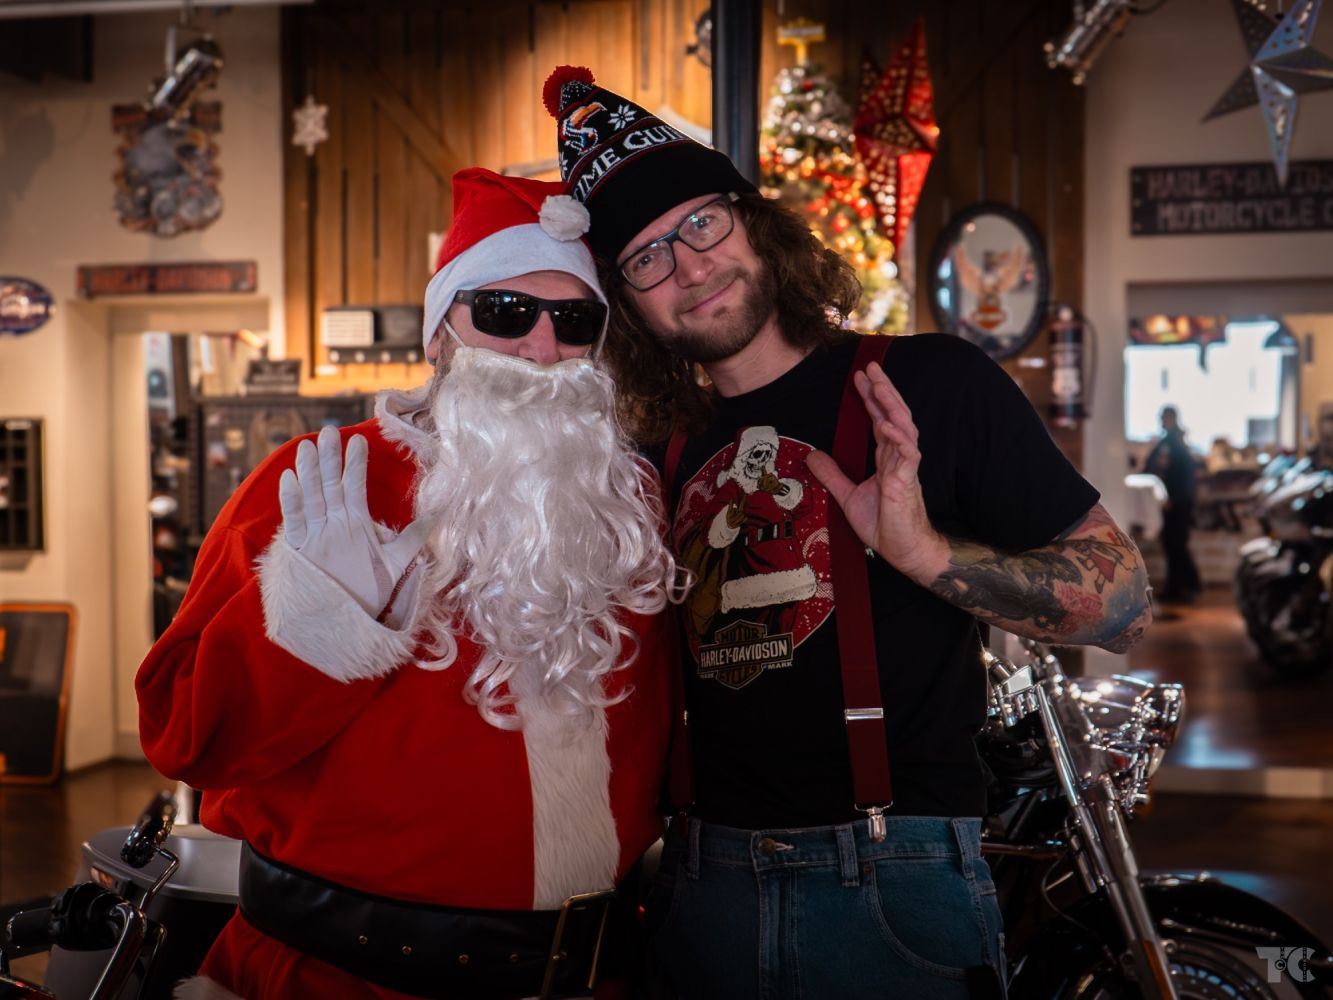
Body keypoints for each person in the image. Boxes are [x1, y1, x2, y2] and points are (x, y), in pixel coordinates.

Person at [541, 66, 1153, 999]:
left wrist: (925, 556)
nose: (689, 267)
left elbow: (1122, 603)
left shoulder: (931, 385)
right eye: (645, 257)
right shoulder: (649, 449)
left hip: (892, 879)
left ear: (757, 224)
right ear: (628, 303)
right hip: (697, 887)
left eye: (702, 223)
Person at [136, 168, 683, 1000]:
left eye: (574, 320)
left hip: (593, 974)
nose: (542, 348)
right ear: (438, 335)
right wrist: (323, 620)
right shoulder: (323, 479)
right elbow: (185, 737)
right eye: (504, 312)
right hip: (338, 977)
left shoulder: (624, 500)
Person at [1145, 405, 1201, 603]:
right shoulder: (1170, 442)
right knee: (1173, 546)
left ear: (1172, 418)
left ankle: (1190, 586)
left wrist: (1171, 498)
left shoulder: (1175, 444)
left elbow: (1180, 476)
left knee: (1176, 545)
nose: (1161, 421)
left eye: (1164, 417)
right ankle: (1176, 588)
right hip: (1175, 501)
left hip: (1177, 502)